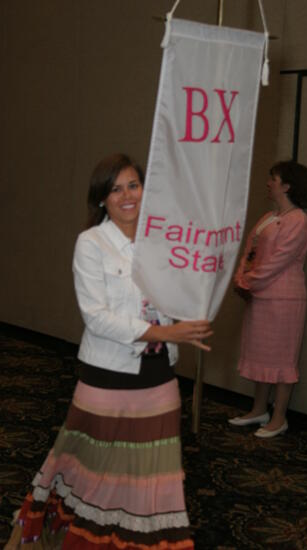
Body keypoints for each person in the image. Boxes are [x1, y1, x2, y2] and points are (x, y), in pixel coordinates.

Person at [6, 153, 213, 549]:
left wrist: (193, 310)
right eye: (115, 189)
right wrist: (167, 332)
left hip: (159, 376)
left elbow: (176, 300)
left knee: (153, 480)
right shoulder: (91, 243)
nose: (126, 195)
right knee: (95, 475)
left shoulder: (163, 240)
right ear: (102, 198)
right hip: (107, 377)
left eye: (133, 185)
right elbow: (96, 318)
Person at [228, 160, 307, 438]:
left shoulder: (298, 220)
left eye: (272, 178)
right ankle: (259, 410)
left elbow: (277, 262)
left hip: (284, 301)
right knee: (261, 355)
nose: (268, 183)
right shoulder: (268, 217)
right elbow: (250, 251)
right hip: (261, 297)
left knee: (282, 359)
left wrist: (246, 282)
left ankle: (279, 418)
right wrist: (242, 276)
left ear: (287, 185)